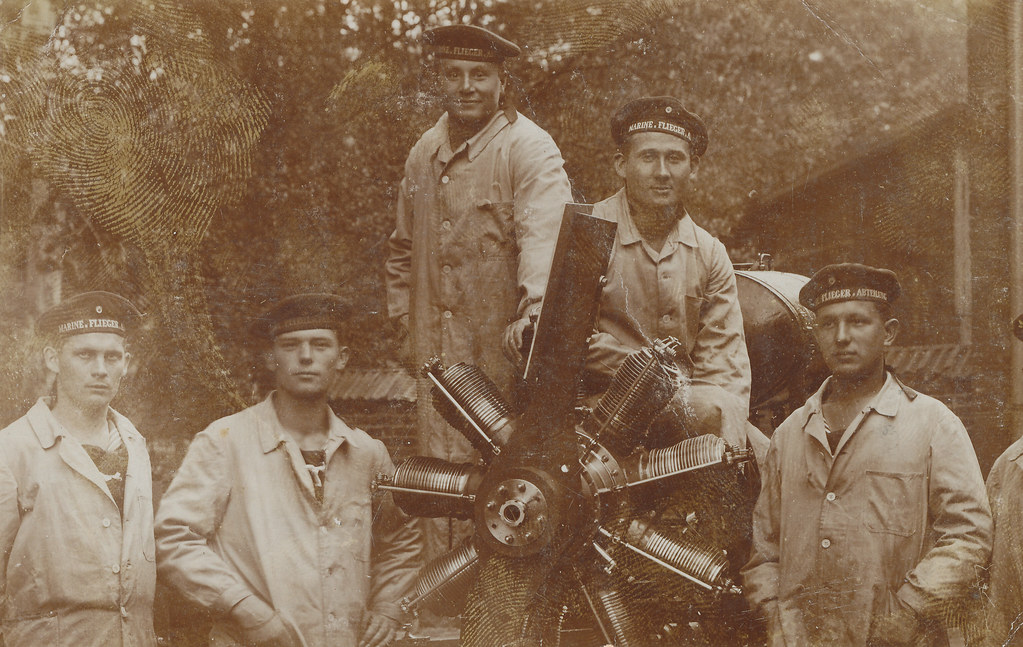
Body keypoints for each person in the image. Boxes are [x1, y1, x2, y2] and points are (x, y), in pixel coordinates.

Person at [385, 24, 572, 558]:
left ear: (501, 81)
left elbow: (547, 240)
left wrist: (533, 312)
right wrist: (403, 324)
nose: (467, 86)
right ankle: (442, 616)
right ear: (439, 80)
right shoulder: (424, 152)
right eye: (454, 74)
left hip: (503, 361)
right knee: (438, 482)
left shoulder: (528, 148)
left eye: (480, 75)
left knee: (507, 490)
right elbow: (401, 248)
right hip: (436, 358)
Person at [742, 263, 992, 646]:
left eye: (857, 322)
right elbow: (764, 553)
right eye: (828, 324)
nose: (841, 337)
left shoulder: (932, 424)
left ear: (888, 332)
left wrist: (909, 610)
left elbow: (968, 535)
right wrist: (776, 621)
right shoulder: (789, 435)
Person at [155, 294, 420, 647]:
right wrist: (245, 608)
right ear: (270, 358)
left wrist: (388, 608)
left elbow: (400, 541)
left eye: (321, 345)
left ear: (342, 358)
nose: (306, 356)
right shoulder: (225, 441)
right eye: (291, 345)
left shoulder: (366, 453)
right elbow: (174, 538)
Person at [584, 95, 764, 455]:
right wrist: (653, 377)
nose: (663, 172)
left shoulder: (709, 252)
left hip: (688, 412)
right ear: (621, 163)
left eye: (675, 159)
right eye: (648, 157)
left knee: (772, 460)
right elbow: (568, 346)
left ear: (693, 167)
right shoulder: (588, 232)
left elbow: (724, 366)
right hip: (598, 414)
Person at [0, 291, 156, 647]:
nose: (100, 369)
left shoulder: (135, 444)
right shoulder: (12, 449)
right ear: (53, 359)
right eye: (84, 354)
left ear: (126, 363)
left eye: (112, 356)